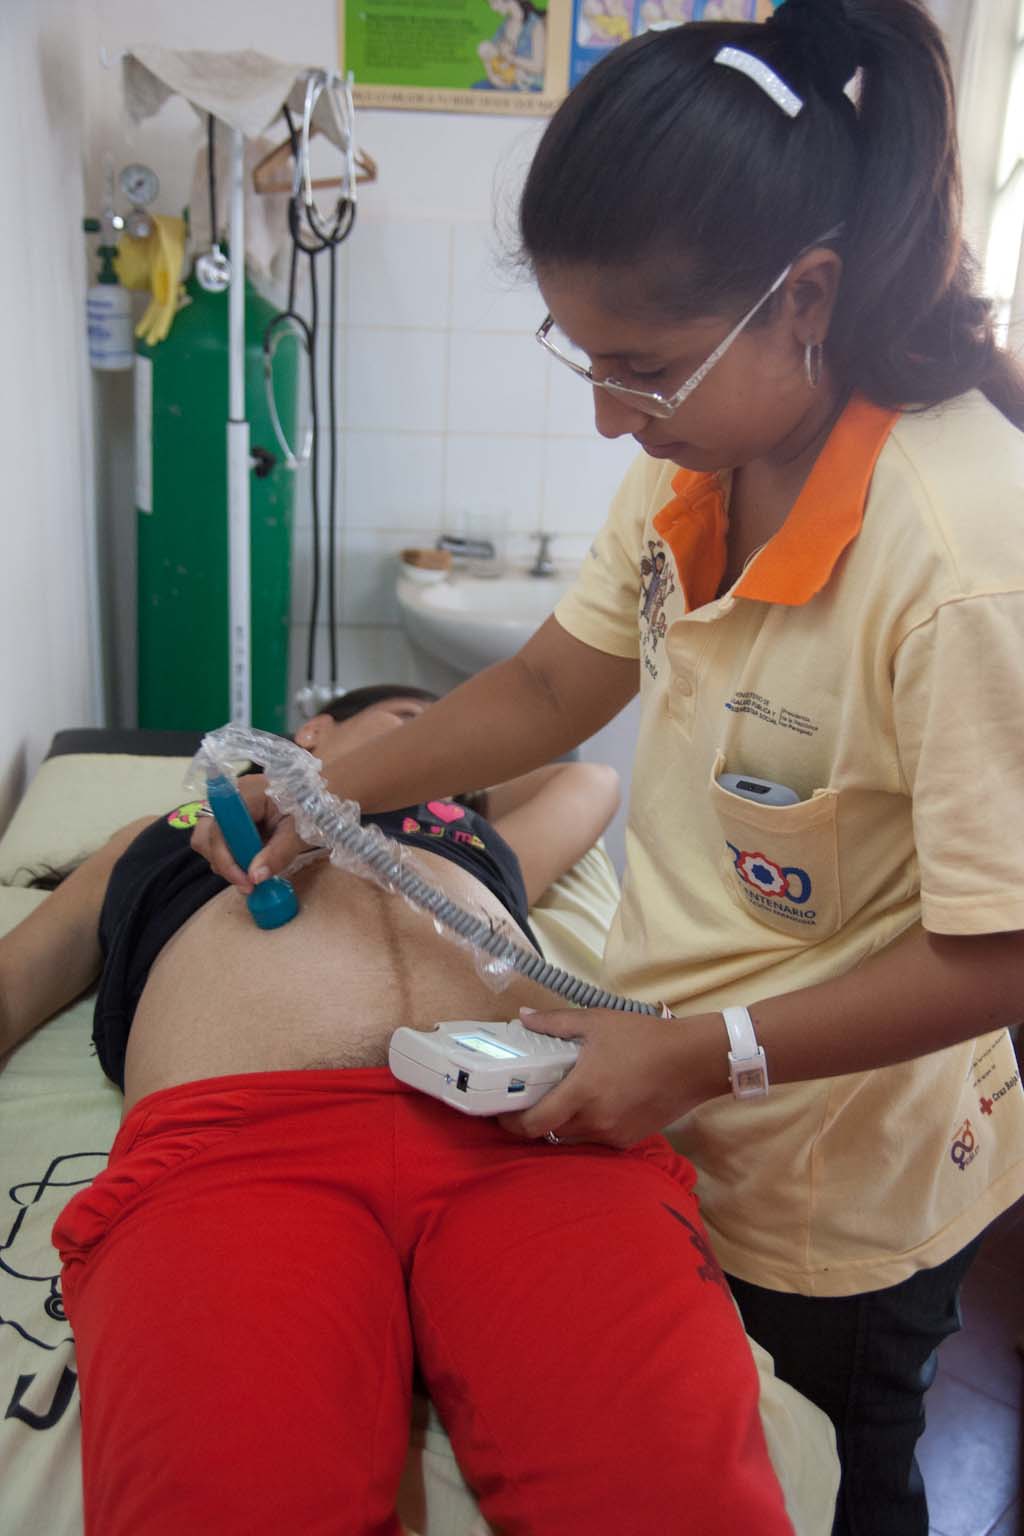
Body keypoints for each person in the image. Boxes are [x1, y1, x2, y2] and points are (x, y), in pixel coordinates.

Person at [196, 6, 1024, 1534]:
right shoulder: (704, 455)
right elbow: (551, 684)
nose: (604, 418)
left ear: (806, 298)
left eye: (640, 369)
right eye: (584, 361)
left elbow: (1003, 951)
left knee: (834, 1470)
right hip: (669, 1098)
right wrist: (336, 789)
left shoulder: (967, 556)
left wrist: (706, 1053)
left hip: (839, 1177)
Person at [0, 687, 796, 1536]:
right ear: (313, 728)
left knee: (679, 1500)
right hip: (240, 1148)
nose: (436, 742)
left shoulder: (463, 829)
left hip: (536, 1126)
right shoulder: (171, 831)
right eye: (411, 722)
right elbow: (15, 981)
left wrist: (426, 766)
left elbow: (589, 779)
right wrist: (297, 782)